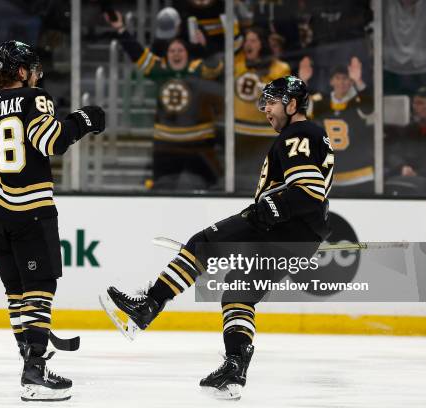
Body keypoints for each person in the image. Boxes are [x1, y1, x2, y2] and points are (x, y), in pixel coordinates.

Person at [101, 76, 333, 400]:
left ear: (293, 104)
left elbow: (309, 193)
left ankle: (150, 304)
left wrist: (269, 210)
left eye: (273, 101)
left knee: (203, 243)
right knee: (238, 293)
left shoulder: (300, 133)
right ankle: (234, 371)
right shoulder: (306, 135)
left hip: (283, 228)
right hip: (302, 235)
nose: (266, 108)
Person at [0, 40, 104, 401]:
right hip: (30, 209)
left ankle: (30, 361)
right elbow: (52, 142)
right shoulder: (34, 98)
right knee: (39, 288)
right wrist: (85, 119)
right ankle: (34, 371)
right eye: (32, 69)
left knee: (16, 293)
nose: (37, 75)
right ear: (21, 72)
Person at [106, 11, 224, 190]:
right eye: (172, 51)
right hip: (166, 144)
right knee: (162, 187)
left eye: (180, 50)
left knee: (211, 186)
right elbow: (138, 54)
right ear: (167, 54)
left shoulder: (198, 68)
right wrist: (121, 29)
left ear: (187, 53)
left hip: (199, 143)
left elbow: (216, 68)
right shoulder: (160, 69)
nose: (176, 54)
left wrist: (204, 47)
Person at [303, 57, 375, 195]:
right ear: (331, 81)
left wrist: (359, 81)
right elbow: (300, 110)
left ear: (351, 81)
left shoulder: (357, 101)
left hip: (360, 174)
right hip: (331, 176)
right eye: (338, 78)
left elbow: (369, 109)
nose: (341, 82)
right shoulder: (321, 103)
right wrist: (303, 81)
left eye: (346, 78)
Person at [233, 26, 290, 192]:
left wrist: (268, 90)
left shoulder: (279, 68)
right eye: (246, 40)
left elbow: (286, 98)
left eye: (253, 40)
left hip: (266, 132)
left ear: (262, 44)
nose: (248, 44)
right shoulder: (237, 63)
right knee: (239, 177)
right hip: (240, 129)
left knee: (263, 178)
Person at [386, 87, 426, 195]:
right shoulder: (409, 129)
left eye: (421, 103)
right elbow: (393, 152)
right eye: (414, 103)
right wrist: (402, 166)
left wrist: (418, 173)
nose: (415, 107)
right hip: (411, 180)